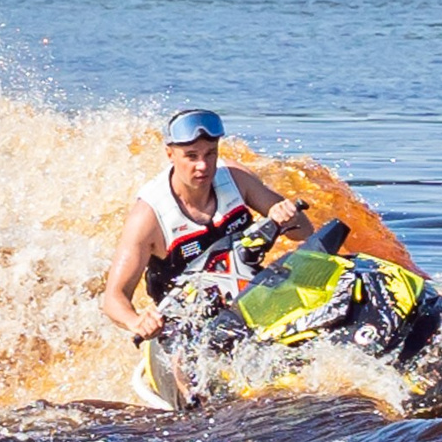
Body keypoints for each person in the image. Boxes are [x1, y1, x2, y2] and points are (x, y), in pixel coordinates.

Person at [100, 108, 307, 340]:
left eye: (210, 153)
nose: (203, 165)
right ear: (170, 154)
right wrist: (136, 321)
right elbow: (113, 298)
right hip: (184, 321)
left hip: (247, 297)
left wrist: (290, 217)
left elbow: (303, 233)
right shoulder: (148, 217)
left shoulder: (236, 179)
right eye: (191, 156)